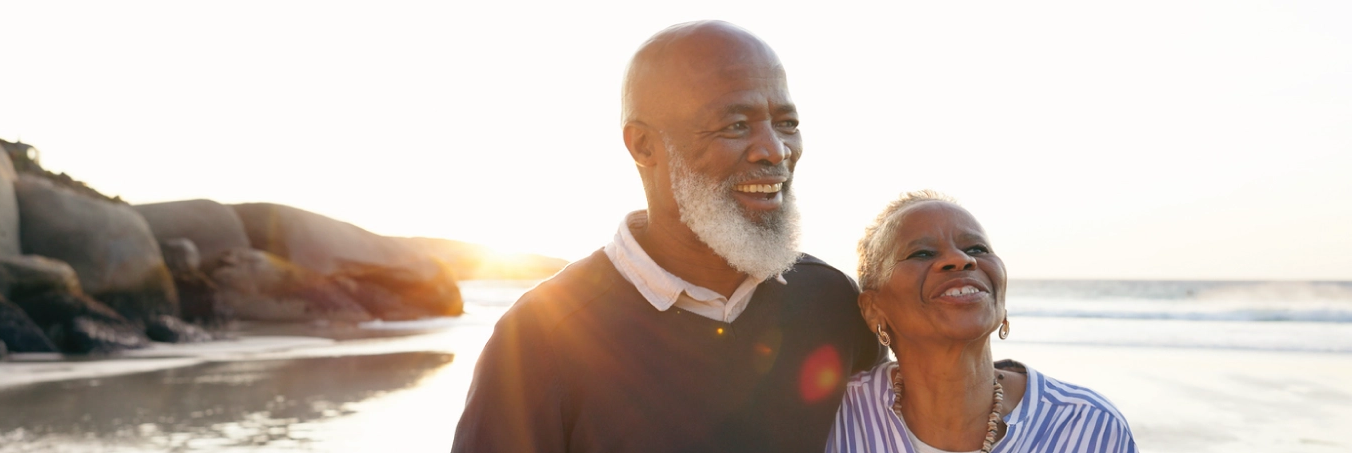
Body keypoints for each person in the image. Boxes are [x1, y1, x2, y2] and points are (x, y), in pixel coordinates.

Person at [452, 21, 882, 453]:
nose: (775, 150)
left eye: (786, 122)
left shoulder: (833, 301)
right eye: (736, 125)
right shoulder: (539, 338)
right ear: (643, 146)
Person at [827, 191, 1137, 453]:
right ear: (874, 309)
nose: (961, 259)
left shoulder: (1088, 427)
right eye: (922, 253)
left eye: (976, 249)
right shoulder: (832, 417)